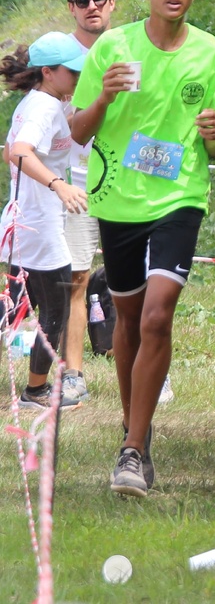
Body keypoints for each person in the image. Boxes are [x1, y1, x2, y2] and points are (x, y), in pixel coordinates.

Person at [71, 0, 215, 498]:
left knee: (158, 315)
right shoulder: (114, 46)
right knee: (128, 319)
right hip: (117, 198)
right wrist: (105, 97)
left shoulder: (213, 53)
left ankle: (132, 451)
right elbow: (78, 130)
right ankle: (133, 426)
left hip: (180, 197)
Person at [0, 32, 89, 410]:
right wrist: (57, 185)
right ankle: (36, 392)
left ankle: (35, 388)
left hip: (24, 221)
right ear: (49, 72)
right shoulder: (43, 108)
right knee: (56, 309)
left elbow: (7, 149)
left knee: (17, 306)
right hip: (39, 225)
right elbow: (18, 152)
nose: (78, 78)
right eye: (73, 72)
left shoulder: (39, 102)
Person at [61, 0, 116, 402]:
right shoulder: (58, 57)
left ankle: (153, 367)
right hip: (74, 181)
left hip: (128, 179)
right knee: (77, 276)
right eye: (83, 1)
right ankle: (73, 374)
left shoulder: (133, 48)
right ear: (72, 8)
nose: (92, 7)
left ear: (112, 3)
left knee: (141, 281)